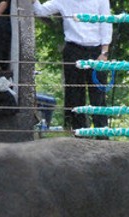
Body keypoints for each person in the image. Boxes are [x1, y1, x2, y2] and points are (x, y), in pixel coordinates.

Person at [32, 0, 112, 131]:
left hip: (96, 49)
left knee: (98, 94)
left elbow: (106, 23)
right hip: (73, 49)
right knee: (75, 94)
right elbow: (40, 11)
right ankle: (79, 132)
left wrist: (104, 52)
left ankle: (102, 133)